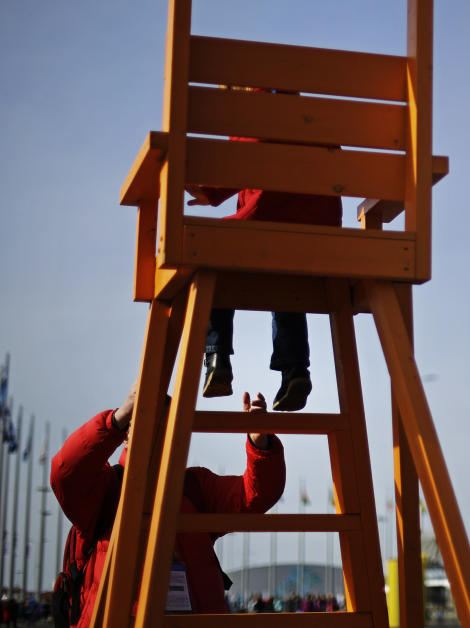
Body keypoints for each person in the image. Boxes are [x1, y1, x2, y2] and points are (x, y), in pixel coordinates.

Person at [50, 385, 285, 627]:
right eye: (143, 422)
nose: (156, 434)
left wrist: (260, 444)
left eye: (166, 427)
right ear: (125, 435)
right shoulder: (107, 487)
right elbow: (66, 473)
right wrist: (117, 418)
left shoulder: (193, 486)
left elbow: (255, 496)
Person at [186, 88, 344, 412]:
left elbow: (240, 161)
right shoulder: (315, 117)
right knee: (286, 282)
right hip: (321, 234)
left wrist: (210, 192)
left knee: (212, 248)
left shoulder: (255, 111)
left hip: (267, 225)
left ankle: (216, 358)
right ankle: (296, 369)